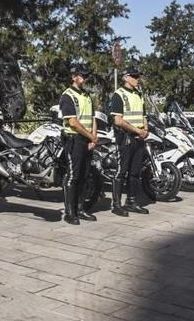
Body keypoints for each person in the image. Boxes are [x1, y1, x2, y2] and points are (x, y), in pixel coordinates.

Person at [59, 64, 99, 225]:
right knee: (73, 176)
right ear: (74, 76)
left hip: (87, 140)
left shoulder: (87, 96)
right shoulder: (67, 96)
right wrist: (90, 136)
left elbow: (92, 118)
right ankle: (69, 212)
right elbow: (73, 122)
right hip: (74, 139)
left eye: (86, 75)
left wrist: (93, 138)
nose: (85, 78)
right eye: (82, 75)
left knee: (84, 175)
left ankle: (81, 209)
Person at [108, 67, 150, 214]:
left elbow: (144, 115)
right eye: (134, 76)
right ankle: (116, 205)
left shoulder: (139, 94)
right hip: (125, 137)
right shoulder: (118, 95)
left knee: (135, 172)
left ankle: (131, 202)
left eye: (138, 77)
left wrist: (145, 129)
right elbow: (118, 120)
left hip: (139, 138)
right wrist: (138, 130)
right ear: (126, 78)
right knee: (121, 171)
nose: (137, 79)